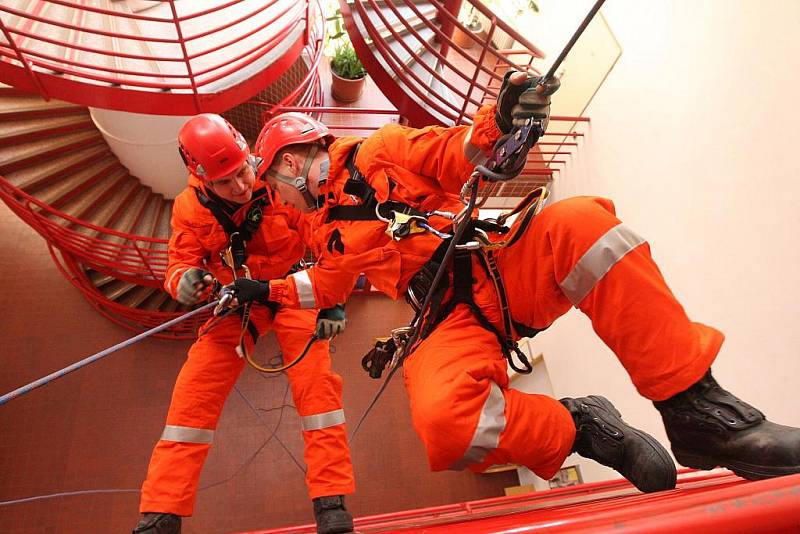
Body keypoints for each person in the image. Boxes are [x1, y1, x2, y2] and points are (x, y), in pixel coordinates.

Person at [229, 70, 800, 491]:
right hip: (441, 313)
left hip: (494, 264)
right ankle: (580, 427)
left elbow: (460, 155)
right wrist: (266, 291)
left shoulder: (379, 151)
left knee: (584, 226)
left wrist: (501, 124)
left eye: (273, 183)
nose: (278, 197)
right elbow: (324, 289)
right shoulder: (321, 232)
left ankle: (697, 411)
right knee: (446, 425)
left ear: (288, 161)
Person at [133, 114, 355, 534]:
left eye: (241, 173)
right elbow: (179, 264)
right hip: (238, 306)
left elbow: (325, 236)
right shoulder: (189, 210)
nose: (239, 186)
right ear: (201, 180)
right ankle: (161, 513)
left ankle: (331, 501)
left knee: (317, 385)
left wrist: (333, 301)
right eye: (225, 182)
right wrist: (186, 282)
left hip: (289, 292)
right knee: (193, 394)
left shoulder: (275, 182)